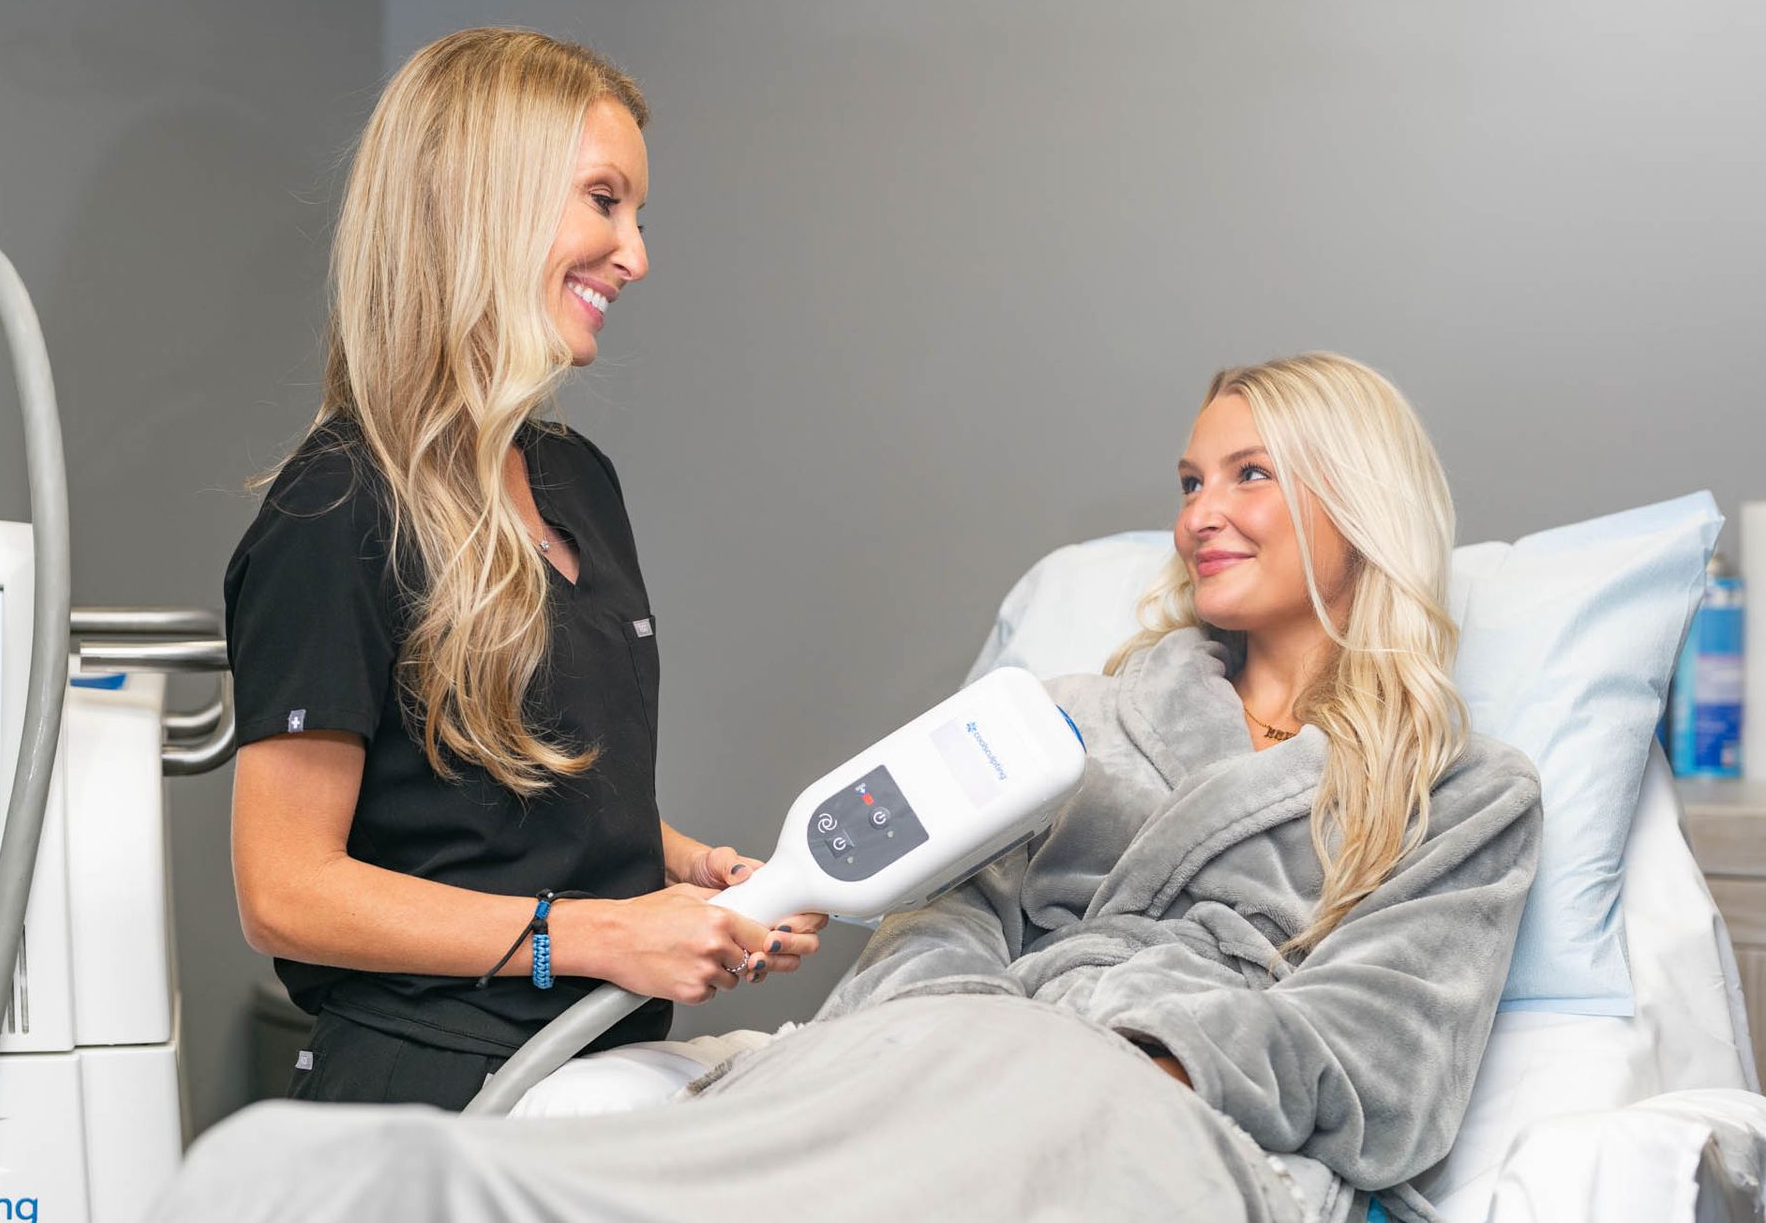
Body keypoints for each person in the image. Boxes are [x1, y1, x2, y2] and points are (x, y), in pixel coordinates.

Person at [170, 353, 1541, 1222]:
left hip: (1150, 1091)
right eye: (1190, 479)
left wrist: (1139, 1050)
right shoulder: (1072, 721)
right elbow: (942, 923)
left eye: (1252, 475)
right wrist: (939, 1021)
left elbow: (1386, 1059)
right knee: (776, 1147)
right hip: (956, 1043)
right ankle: (466, 1191)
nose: (1198, 514)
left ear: (1359, 505)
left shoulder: (1465, 793)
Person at [221, 28, 822, 1113]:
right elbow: (285, 890)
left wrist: (678, 870)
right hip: (433, 1095)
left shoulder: (573, 479)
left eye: (636, 214)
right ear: (484, 201)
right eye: (604, 201)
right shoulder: (339, 507)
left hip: (598, 1073)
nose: (635, 254)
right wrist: (601, 931)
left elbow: (501, 794)